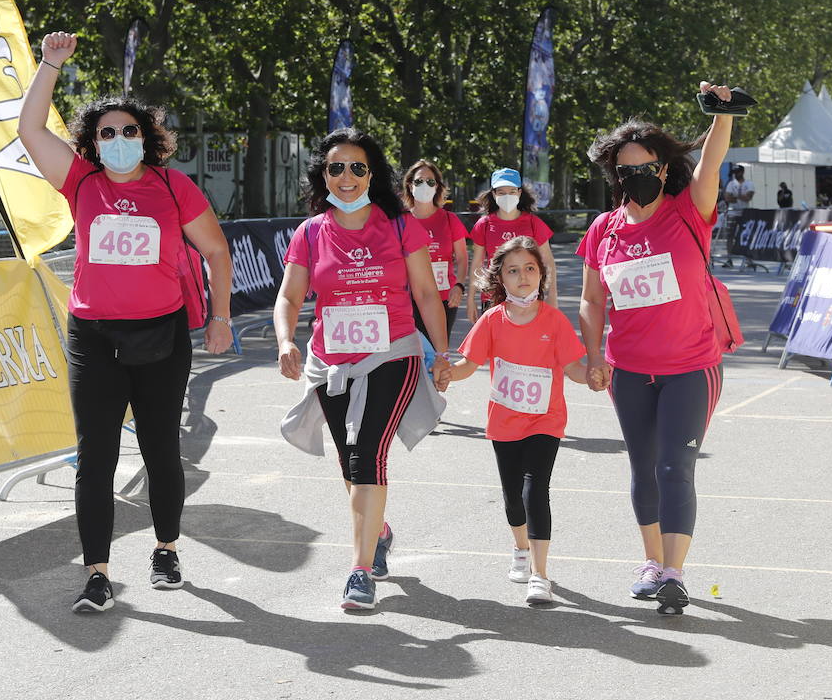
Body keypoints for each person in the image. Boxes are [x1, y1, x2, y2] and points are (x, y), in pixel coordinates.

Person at [18, 31, 235, 614]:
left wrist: (220, 319)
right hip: (93, 335)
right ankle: (97, 573)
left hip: (161, 334)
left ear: (147, 137)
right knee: (97, 455)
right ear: (93, 143)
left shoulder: (171, 185)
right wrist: (48, 66)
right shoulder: (81, 181)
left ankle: (165, 546)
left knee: (162, 447)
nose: (118, 140)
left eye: (129, 130)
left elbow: (217, 252)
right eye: (107, 133)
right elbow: (31, 132)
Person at [274, 128, 452, 612]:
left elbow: (425, 294)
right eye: (337, 167)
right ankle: (379, 529)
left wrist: (442, 353)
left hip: (392, 352)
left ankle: (359, 569)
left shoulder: (399, 226)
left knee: (367, 449)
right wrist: (286, 340)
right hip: (330, 361)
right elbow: (290, 297)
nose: (347, 176)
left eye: (358, 167)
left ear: (372, 174)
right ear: (323, 175)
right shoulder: (310, 232)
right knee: (349, 458)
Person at [576, 81, 735, 616]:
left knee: (674, 469)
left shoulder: (689, 210)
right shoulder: (605, 229)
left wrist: (722, 116)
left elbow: (710, 166)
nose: (634, 177)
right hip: (630, 371)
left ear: (664, 169)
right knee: (643, 469)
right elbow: (592, 301)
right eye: (624, 171)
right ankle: (650, 563)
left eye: (644, 167)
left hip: (691, 367)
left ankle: (674, 573)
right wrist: (595, 356)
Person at [448, 237, 587, 606]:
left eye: (529, 268)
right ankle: (520, 548)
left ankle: (540, 575)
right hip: (504, 422)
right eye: (513, 270)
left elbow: (573, 366)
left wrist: (592, 376)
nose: (522, 276)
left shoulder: (554, 321)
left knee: (534, 489)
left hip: (546, 420)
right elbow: (468, 365)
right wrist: (444, 373)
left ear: (541, 275)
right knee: (513, 498)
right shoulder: (492, 321)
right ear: (501, 279)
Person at [467, 168, 556, 323]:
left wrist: (552, 295)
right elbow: (477, 264)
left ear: (520, 193)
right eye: (501, 192)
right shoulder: (484, 224)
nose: (507, 196)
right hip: (493, 296)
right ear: (493, 194)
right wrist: (470, 298)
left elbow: (548, 262)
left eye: (512, 191)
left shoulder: (534, 223)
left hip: (528, 295)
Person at [401, 159, 469, 343]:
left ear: (437, 186)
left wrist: (459, 286)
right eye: (419, 181)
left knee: (438, 352)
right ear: (410, 185)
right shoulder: (400, 221)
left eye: (430, 181)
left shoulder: (449, 219)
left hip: (444, 299)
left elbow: (462, 258)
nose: (425, 185)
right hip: (409, 300)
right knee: (414, 353)